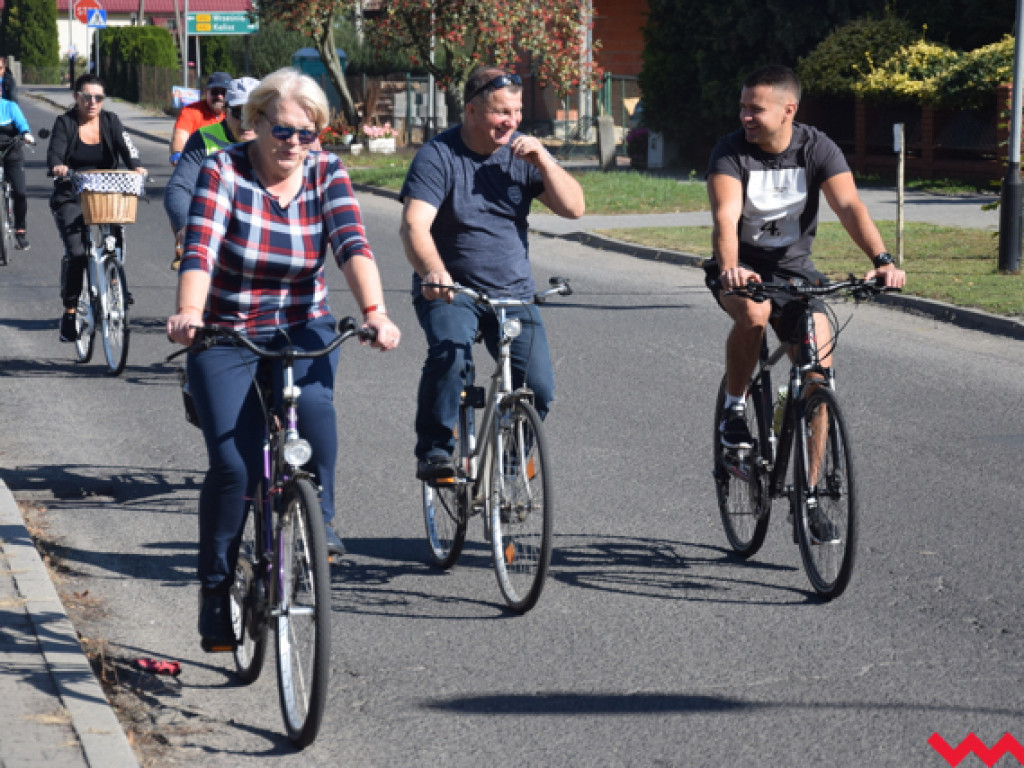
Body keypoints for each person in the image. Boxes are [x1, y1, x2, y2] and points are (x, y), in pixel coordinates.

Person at [165, 67, 401, 652]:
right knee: (236, 467)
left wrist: (375, 311)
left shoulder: (327, 172)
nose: (295, 144)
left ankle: (319, 517)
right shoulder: (224, 169)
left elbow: (352, 245)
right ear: (256, 123)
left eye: (308, 133)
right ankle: (215, 591)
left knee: (316, 409)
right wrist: (189, 310)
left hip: (301, 326)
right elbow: (201, 245)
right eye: (283, 131)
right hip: (224, 330)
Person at [705, 64, 906, 452]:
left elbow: (849, 205)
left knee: (817, 377)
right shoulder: (730, 152)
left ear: (788, 110)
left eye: (756, 109)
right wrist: (731, 267)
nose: (746, 116)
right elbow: (725, 218)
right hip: (740, 269)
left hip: (796, 274)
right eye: (743, 107)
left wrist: (883, 261)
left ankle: (811, 500)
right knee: (754, 315)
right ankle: (734, 409)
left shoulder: (817, 147)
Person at [399, 65, 585, 482]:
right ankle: (436, 448)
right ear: (470, 111)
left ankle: (511, 465)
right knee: (450, 355)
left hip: (513, 292)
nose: (513, 121)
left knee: (539, 387)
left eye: (517, 111)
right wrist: (433, 272)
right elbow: (414, 225)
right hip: (452, 290)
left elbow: (574, 208)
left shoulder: (523, 152)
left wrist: (544, 160)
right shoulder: (438, 155)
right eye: (502, 112)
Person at [48, 73, 146, 343]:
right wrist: (59, 166)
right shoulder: (65, 123)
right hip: (72, 193)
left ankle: (115, 281)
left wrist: (136, 166)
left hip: (105, 192)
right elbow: (54, 152)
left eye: (98, 98)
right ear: (76, 97)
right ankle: (69, 312)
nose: (92, 102)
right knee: (77, 253)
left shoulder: (111, 121)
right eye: (86, 96)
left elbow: (128, 148)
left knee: (114, 239)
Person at [164, 76, 259, 270]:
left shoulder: (277, 139)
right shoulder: (204, 138)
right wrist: (185, 227)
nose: (246, 122)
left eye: (253, 114)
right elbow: (179, 186)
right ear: (225, 111)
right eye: (238, 113)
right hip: (217, 232)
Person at [168, 71, 230, 165]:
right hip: (198, 164)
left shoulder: (236, 113)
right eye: (215, 92)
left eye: (224, 92)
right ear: (206, 92)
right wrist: (178, 154)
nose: (219, 96)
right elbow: (180, 135)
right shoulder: (191, 111)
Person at [0, 92, 35, 250]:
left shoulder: (10, 106)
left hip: (12, 152)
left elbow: (21, 123)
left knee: (20, 192)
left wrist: (26, 134)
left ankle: (20, 231)